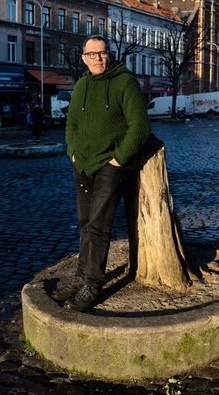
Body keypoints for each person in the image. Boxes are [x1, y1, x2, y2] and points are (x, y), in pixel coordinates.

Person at [52, 35, 151, 312]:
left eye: (102, 53)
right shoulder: (81, 85)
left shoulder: (125, 82)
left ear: (110, 55)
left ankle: (92, 286)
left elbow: (140, 127)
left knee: (98, 225)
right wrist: (72, 152)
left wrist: (118, 160)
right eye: (91, 54)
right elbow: (70, 124)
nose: (97, 58)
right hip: (82, 164)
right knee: (85, 221)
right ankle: (80, 277)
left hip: (110, 165)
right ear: (84, 58)